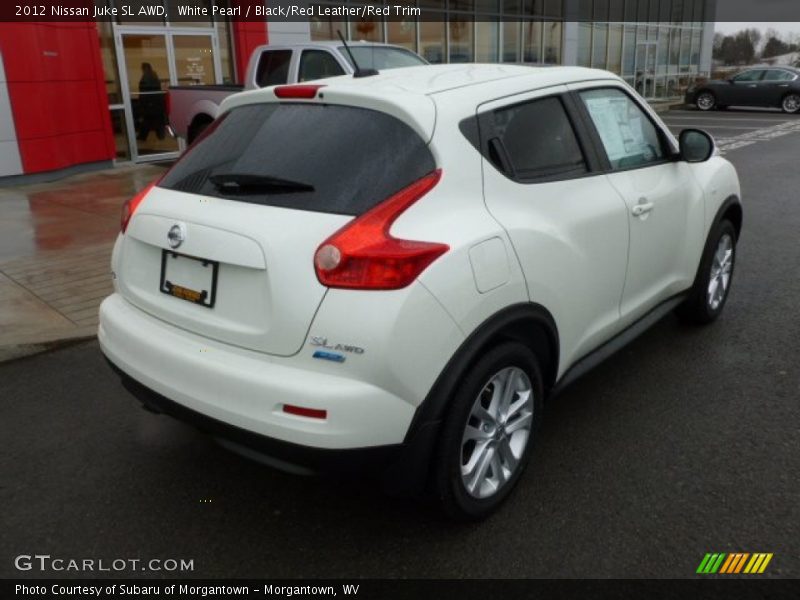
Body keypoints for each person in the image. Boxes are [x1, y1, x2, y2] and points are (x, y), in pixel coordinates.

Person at [137, 63, 166, 142]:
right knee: (157, 121)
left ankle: (142, 137)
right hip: (157, 102)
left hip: (150, 103)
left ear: (144, 68)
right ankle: (160, 136)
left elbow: (144, 91)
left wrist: (142, 104)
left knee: (147, 121)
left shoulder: (146, 77)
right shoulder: (154, 75)